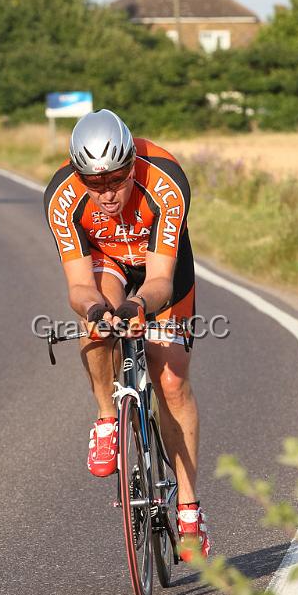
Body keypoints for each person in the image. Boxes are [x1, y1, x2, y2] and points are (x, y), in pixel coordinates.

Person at [43, 109, 210, 560]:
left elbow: (158, 281)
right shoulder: (62, 198)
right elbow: (79, 287)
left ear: (132, 163)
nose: (108, 193)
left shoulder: (166, 180)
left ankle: (190, 505)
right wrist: (99, 308)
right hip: (107, 258)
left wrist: (138, 308)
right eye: (94, 184)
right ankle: (105, 417)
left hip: (159, 262)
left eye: (116, 179)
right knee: (94, 326)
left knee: (171, 380)